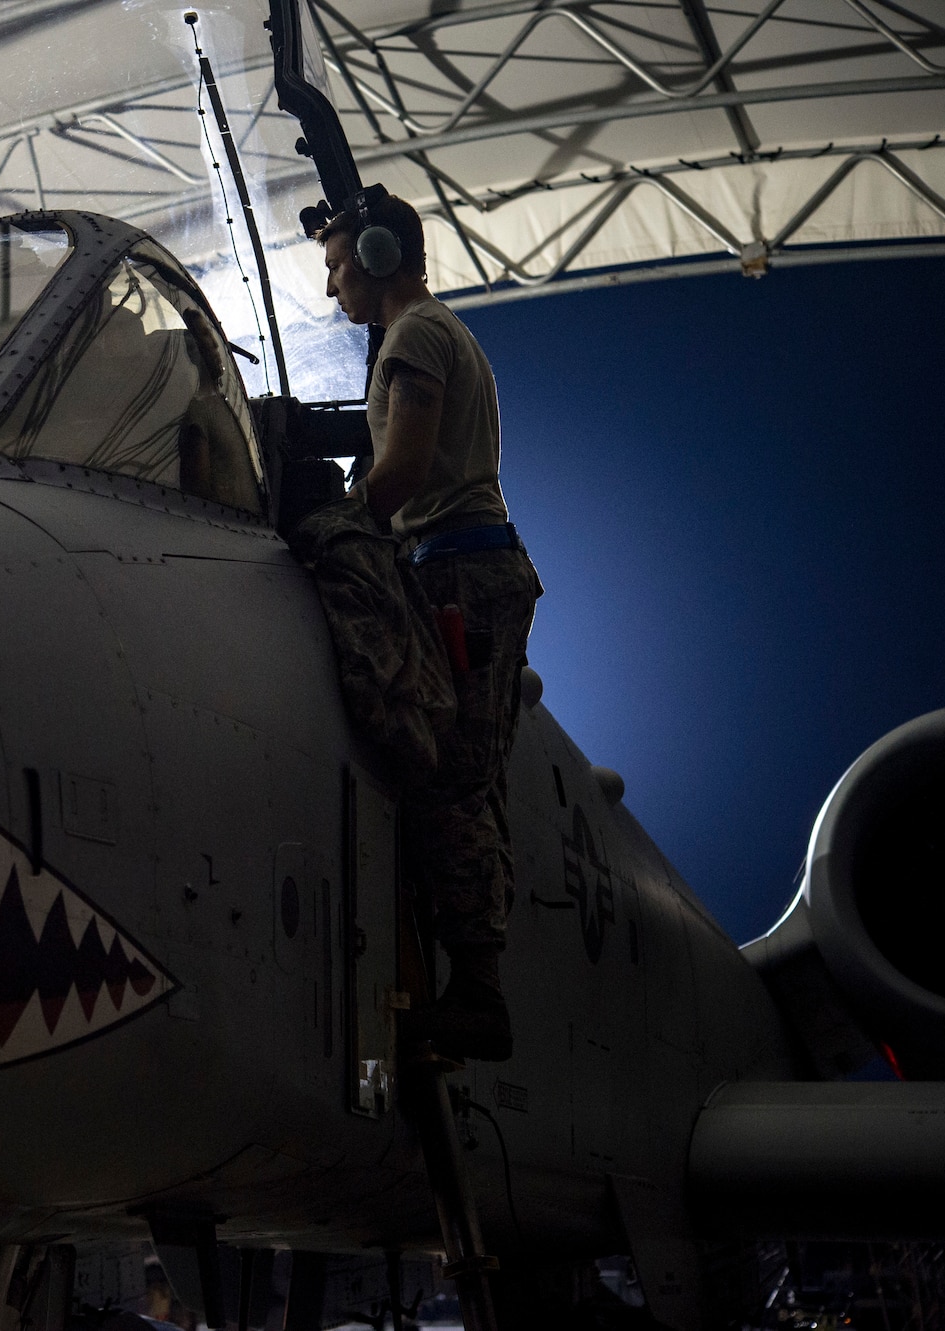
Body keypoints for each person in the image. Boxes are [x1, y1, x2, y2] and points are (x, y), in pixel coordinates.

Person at [315, 189, 543, 1062]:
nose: (334, 287)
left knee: (453, 777)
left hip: (460, 573)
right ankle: (472, 981)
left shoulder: (413, 337)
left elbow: (402, 468)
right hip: (467, 569)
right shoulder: (446, 334)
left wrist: (337, 521)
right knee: (463, 775)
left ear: (378, 255)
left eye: (339, 266)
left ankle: (478, 993)